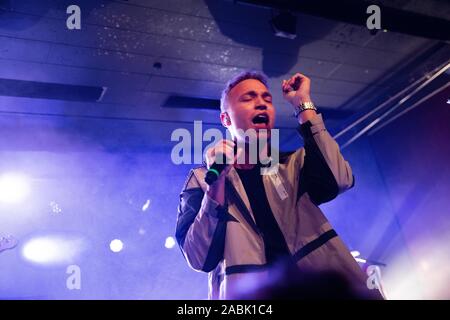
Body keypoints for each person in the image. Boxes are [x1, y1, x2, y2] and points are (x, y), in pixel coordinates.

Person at [175, 71, 382, 299]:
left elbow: (340, 180)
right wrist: (217, 184)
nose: (261, 104)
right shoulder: (201, 179)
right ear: (225, 120)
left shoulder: (292, 164)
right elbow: (198, 257)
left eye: (267, 99)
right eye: (248, 98)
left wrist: (303, 104)